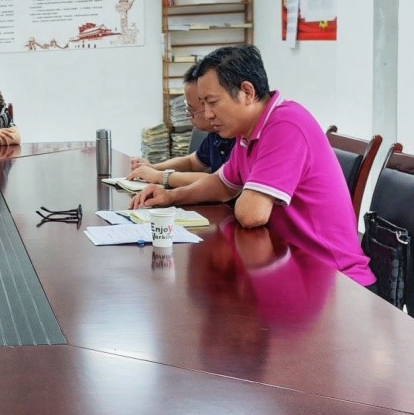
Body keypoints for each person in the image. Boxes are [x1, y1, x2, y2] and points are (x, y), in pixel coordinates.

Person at [132, 45, 374, 287]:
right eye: (203, 104)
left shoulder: (286, 125)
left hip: (335, 280)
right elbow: (222, 184)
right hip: (290, 269)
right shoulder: (247, 132)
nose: (207, 114)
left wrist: (243, 194)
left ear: (247, 92)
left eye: (212, 102)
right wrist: (171, 196)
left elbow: (251, 215)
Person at [127, 67, 234, 188]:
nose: (208, 114)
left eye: (191, 110)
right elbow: (191, 162)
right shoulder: (215, 135)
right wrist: (154, 168)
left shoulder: (239, 137)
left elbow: (219, 181)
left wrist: (160, 176)